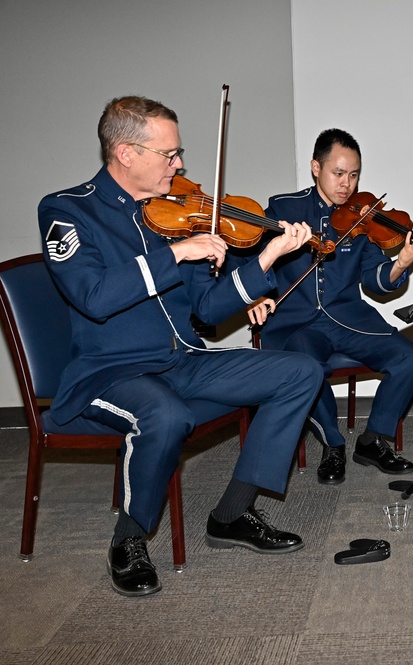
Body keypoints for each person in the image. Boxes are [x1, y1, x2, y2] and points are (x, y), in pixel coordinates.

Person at [37, 96, 325, 597]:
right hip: (112, 372)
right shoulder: (68, 210)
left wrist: (268, 259)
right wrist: (176, 253)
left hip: (182, 359)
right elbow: (95, 297)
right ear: (126, 153)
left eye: (180, 152)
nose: (181, 164)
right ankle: (128, 540)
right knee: (165, 416)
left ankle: (232, 514)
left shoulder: (174, 215)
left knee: (299, 372)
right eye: (169, 154)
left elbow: (210, 310)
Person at [246, 129, 413, 486]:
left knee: (411, 359)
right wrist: (255, 296)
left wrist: (402, 263)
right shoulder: (284, 208)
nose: (347, 184)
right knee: (306, 366)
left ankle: (373, 440)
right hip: (297, 324)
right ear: (316, 168)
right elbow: (253, 258)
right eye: (338, 173)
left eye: (354, 174)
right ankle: (333, 443)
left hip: (348, 320)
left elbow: (375, 280)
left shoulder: (362, 218)